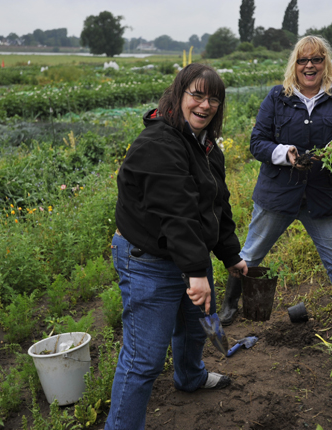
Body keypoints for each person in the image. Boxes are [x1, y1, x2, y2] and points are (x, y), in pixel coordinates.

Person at [106, 63, 248, 430]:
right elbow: (177, 215)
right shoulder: (158, 145)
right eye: (197, 95)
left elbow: (217, 203)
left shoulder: (205, 145)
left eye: (213, 99)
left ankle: (191, 377)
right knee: (143, 361)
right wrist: (197, 272)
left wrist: (230, 254)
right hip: (148, 258)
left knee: (195, 324)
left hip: (185, 253)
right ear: (178, 94)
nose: (205, 105)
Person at [217, 35, 332, 349]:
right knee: (250, 254)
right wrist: (284, 152)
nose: (310, 66)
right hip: (279, 193)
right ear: (295, 63)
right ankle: (229, 305)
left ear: (325, 63)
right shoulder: (278, 97)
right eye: (303, 60)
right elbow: (257, 142)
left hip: (324, 195)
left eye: (316, 60)